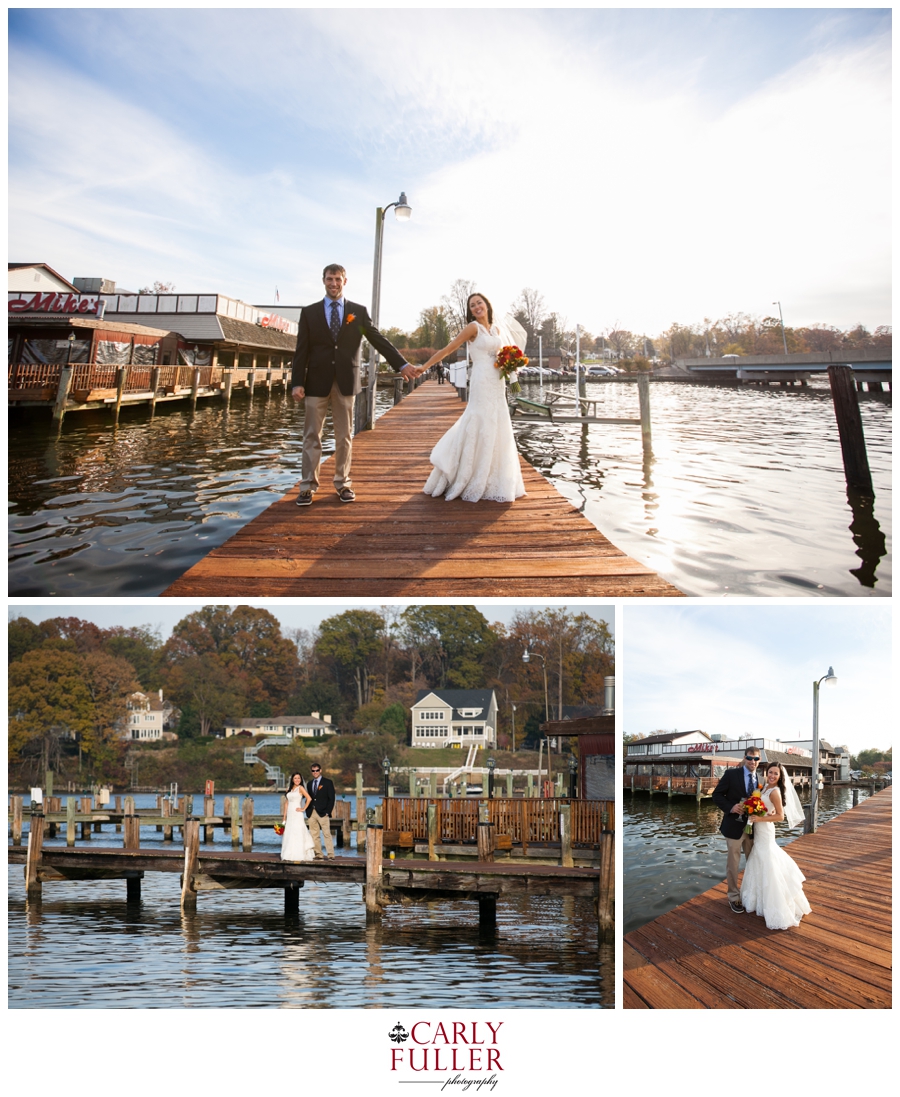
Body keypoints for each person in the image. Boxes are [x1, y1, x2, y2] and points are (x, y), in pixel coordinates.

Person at [291, 264, 416, 506]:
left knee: (344, 436)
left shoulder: (357, 312)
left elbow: (378, 339)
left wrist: (401, 365)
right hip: (315, 382)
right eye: (329, 279)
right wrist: (297, 382)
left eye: (338, 279)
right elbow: (301, 350)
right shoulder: (309, 313)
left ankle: (343, 483)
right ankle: (307, 486)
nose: (333, 283)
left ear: (345, 282)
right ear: (323, 280)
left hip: (346, 382)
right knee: (311, 436)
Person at [415, 292, 526, 503]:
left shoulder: (497, 329)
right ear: (470, 310)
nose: (477, 307)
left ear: (487, 304)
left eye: (479, 303)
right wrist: (425, 367)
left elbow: (502, 355)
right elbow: (449, 348)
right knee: (479, 420)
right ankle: (465, 475)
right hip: (481, 381)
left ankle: (494, 477)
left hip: (497, 382)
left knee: (497, 422)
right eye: (472, 305)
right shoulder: (473, 328)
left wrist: (511, 369)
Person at [741, 762, 810, 930]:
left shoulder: (775, 791)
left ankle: (777, 904)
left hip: (765, 830)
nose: (772, 775)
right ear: (766, 772)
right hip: (758, 829)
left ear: (780, 777)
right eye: (770, 772)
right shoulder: (763, 788)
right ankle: (758, 898)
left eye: (776, 774)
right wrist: (757, 812)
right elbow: (767, 809)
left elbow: (780, 816)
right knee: (759, 858)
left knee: (769, 860)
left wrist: (760, 818)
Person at [711, 746, 762, 913]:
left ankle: (750, 894)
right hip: (733, 826)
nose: (752, 762)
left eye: (756, 759)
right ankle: (733, 896)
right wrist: (731, 807)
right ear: (744, 757)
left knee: (753, 863)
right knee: (733, 864)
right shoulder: (731, 774)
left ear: (759, 760)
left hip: (753, 829)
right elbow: (717, 795)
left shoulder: (761, 779)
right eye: (749, 758)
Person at [280, 772, 315, 862]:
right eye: (295, 778)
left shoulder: (301, 788)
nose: (297, 780)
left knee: (297, 832)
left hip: (297, 813)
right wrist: (284, 817)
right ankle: (288, 854)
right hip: (290, 814)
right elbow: (286, 803)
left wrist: (303, 808)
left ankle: (298, 854)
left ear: (301, 779)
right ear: (292, 779)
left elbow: (309, 798)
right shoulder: (289, 789)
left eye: (299, 778)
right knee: (289, 832)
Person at [305, 763, 336, 859]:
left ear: (320, 770)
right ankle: (319, 854)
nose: (315, 772)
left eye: (317, 770)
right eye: (313, 771)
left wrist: (328, 811)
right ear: (311, 772)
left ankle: (330, 855)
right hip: (312, 812)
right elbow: (309, 798)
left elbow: (331, 798)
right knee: (314, 835)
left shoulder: (328, 782)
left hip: (323, 812)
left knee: (326, 834)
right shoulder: (309, 784)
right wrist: (307, 810)